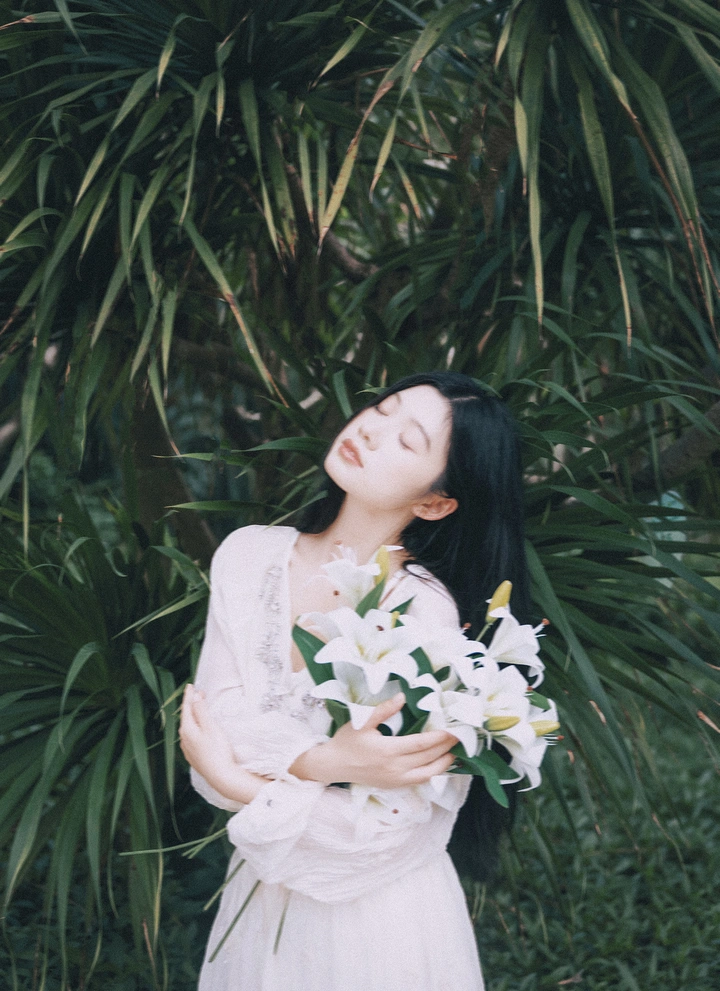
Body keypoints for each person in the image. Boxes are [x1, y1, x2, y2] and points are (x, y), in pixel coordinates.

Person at [180, 371, 529, 991]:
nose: (370, 430)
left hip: (378, 925)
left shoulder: (424, 615)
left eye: (408, 440)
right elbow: (212, 727)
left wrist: (240, 782)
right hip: (260, 902)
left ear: (435, 503)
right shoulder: (248, 556)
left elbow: (389, 830)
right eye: (382, 409)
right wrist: (323, 763)